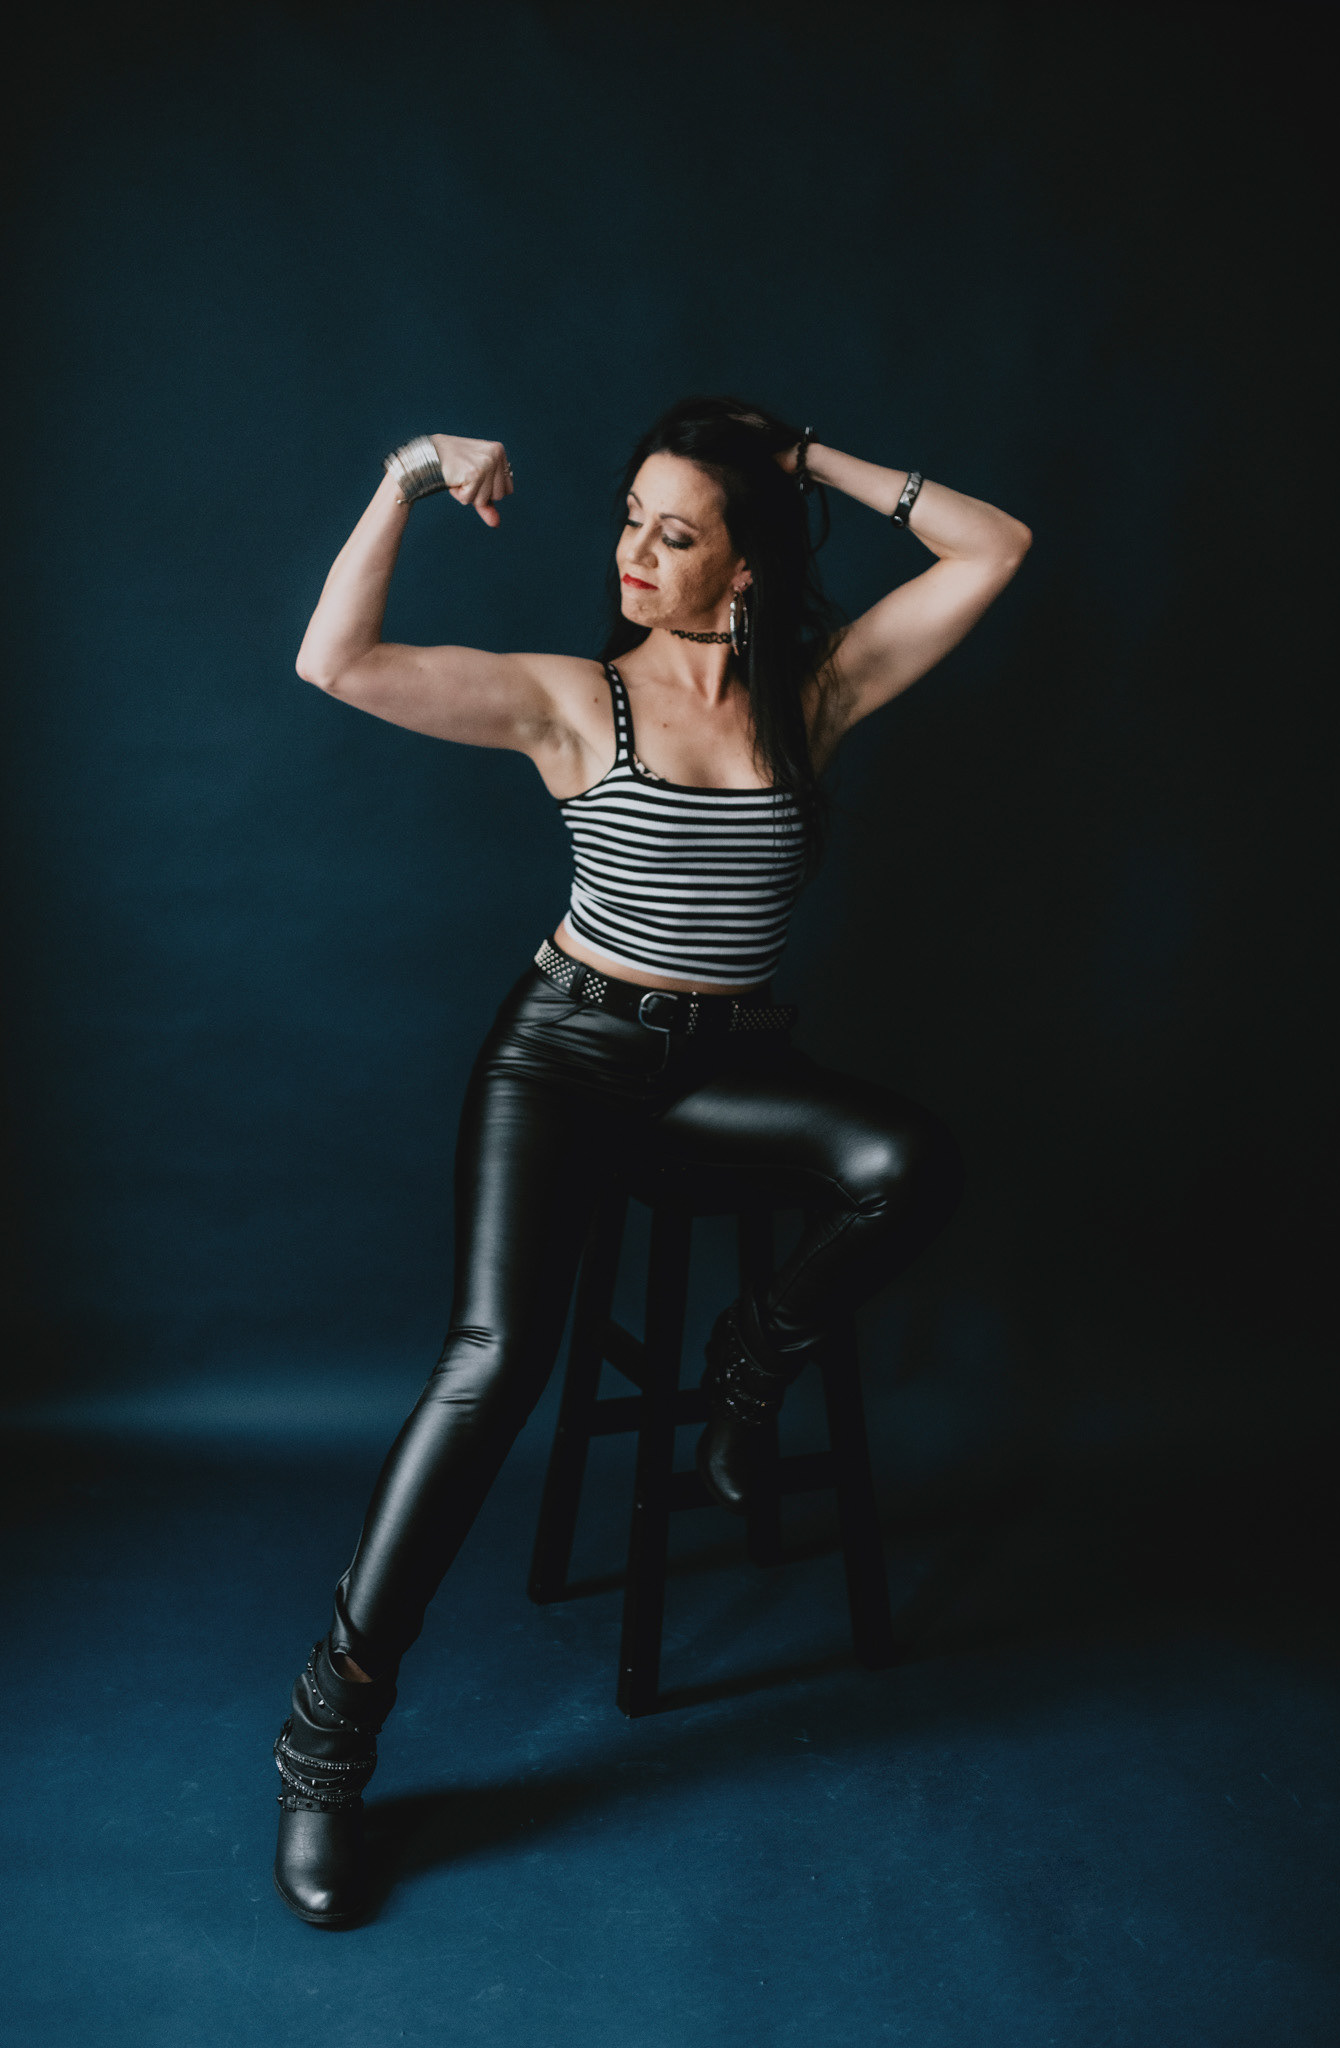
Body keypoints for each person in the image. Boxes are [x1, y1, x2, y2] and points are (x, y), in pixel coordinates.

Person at [273, 397, 1031, 1927]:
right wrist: (406, 478)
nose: (631, 553)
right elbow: (333, 662)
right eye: (629, 520)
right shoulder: (577, 704)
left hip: (720, 1076)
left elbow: (992, 546)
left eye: (674, 533)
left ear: (743, 567)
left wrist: (804, 458)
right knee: (493, 1366)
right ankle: (325, 1750)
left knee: (909, 1160)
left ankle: (751, 1358)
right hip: (562, 1063)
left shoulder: (810, 698)